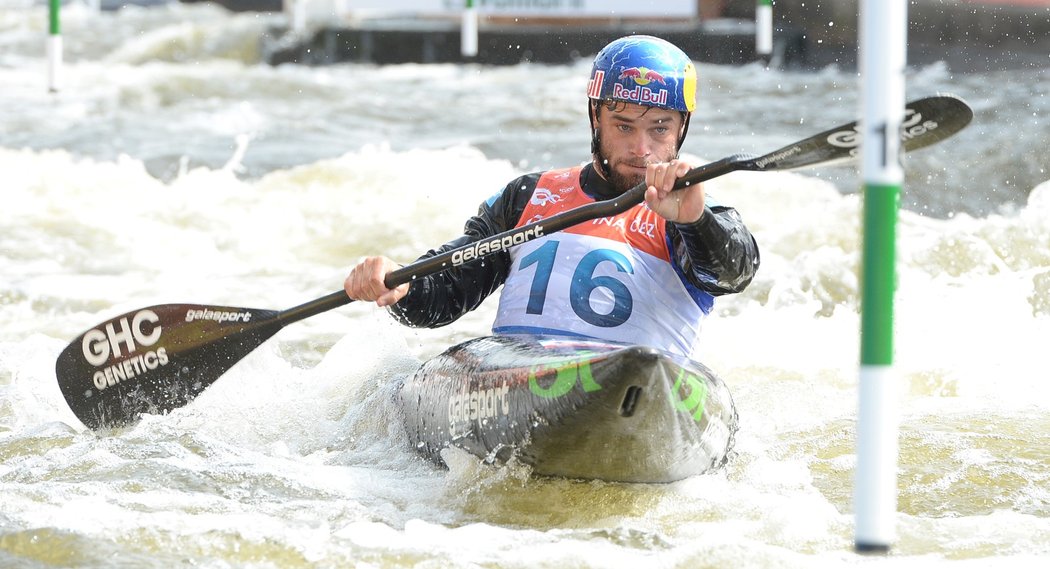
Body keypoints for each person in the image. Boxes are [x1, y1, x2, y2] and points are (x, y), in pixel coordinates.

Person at [344, 35, 759, 357]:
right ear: (595, 117)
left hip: (637, 386)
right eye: (624, 126)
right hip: (523, 379)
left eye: (660, 129)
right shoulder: (527, 196)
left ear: (681, 128)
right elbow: (450, 292)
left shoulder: (694, 214)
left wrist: (695, 222)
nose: (641, 149)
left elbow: (732, 274)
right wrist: (401, 285)